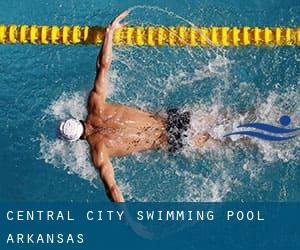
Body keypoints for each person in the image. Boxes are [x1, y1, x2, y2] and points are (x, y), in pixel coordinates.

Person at [58, 11, 210, 202]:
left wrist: (130, 221)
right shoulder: (95, 105)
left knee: (228, 141)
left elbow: (112, 189)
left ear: (76, 140)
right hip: (172, 118)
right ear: (76, 119)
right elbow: (103, 66)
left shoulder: (99, 152)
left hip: (171, 140)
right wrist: (109, 33)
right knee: (226, 118)